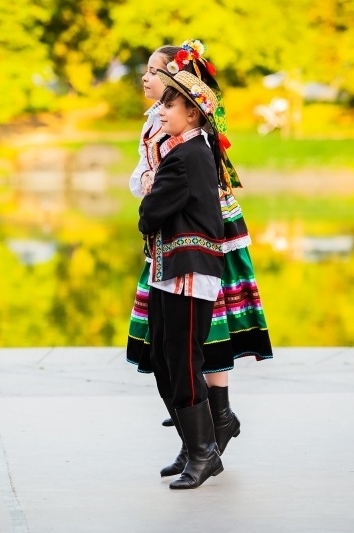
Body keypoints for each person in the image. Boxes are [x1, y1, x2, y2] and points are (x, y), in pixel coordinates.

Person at [126, 40, 272, 458]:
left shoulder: (194, 142)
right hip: (170, 243)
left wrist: (152, 200)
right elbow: (143, 181)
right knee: (169, 347)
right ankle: (200, 439)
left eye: (155, 71)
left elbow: (165, 192)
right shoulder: (159, 125)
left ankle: (212, 428)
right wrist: (149, 194)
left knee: (200, 336)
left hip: (198, 242)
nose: (146, 77)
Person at [139, 66, 226, 489]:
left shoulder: (187, 156)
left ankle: (203, 453)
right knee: (161, 356)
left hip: (188, 273)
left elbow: (149, 214)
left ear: (192, 113)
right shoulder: (186, 150)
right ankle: (198, 446)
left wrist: (151, 191)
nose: (161, 110)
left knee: (182, 361)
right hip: (171, 272)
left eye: (168, 104)